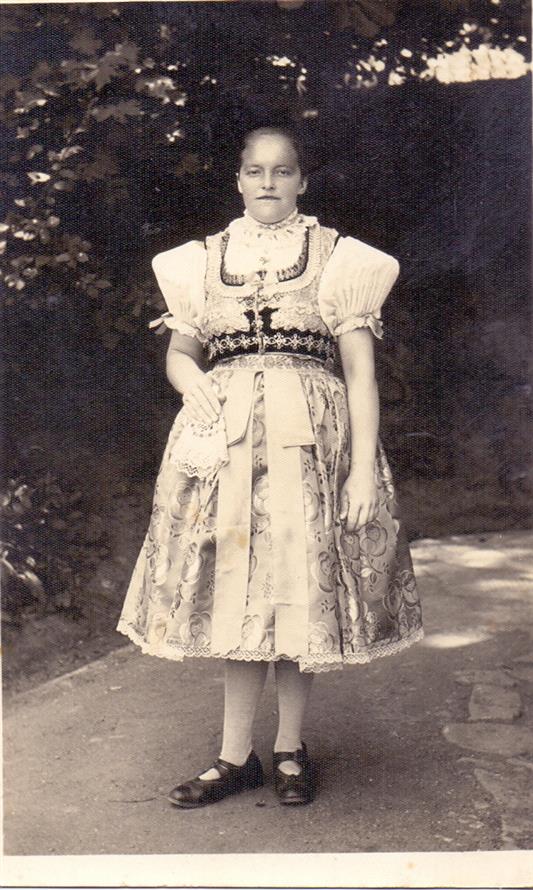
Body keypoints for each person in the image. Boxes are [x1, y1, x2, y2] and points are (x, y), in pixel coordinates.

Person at [117, 124, 423, 808]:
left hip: (308, 444)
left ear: (301, 181)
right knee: (237, 590)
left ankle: (288, 748)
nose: (267, 183)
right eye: (255, 171)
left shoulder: (338, 259)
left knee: (296, 587)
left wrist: (361, 471)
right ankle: (234, 757)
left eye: (281, 171)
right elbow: (181, 351)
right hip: (225, 447)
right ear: (238, 180)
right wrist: (187, 378)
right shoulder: (200, 261)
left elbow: (359, 374)